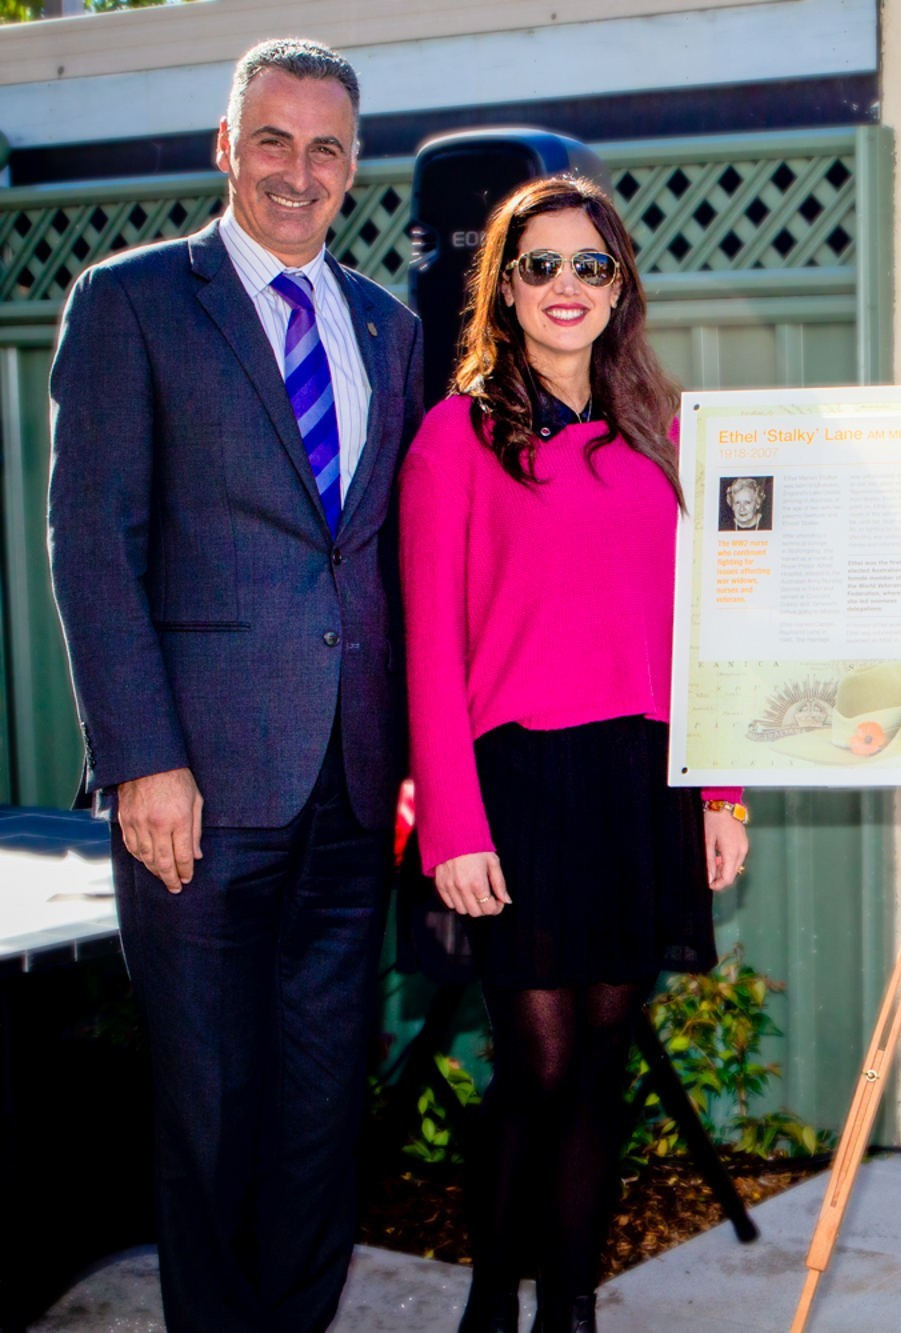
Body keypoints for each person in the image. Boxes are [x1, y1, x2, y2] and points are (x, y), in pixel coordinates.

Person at [45, 39, 422, 1333]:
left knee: (323, 1096)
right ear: (227, 146)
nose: (297, 172)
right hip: (194, 788)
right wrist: (142, 757)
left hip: (354, 781)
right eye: (274, 140)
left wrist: (420, 751)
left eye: (325, 148)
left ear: (353, 168)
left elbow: (392, 559)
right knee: (209, 1099)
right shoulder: (137, 301)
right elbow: (94, 544)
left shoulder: (390, 325)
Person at [400, 174, 750, 1333]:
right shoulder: (456, 438)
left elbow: (706, 626)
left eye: (588, 266)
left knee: (602, 1062)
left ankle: (570, 1306)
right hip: (518, 787)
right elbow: (429, 649)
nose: (565, 286)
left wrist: (721, 790)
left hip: (640, 783)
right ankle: (492, 1301)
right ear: (504, 286)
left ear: (618, 288)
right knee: (537, 1064)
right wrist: (452, 825)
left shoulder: (660, 431)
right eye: (540, 264)